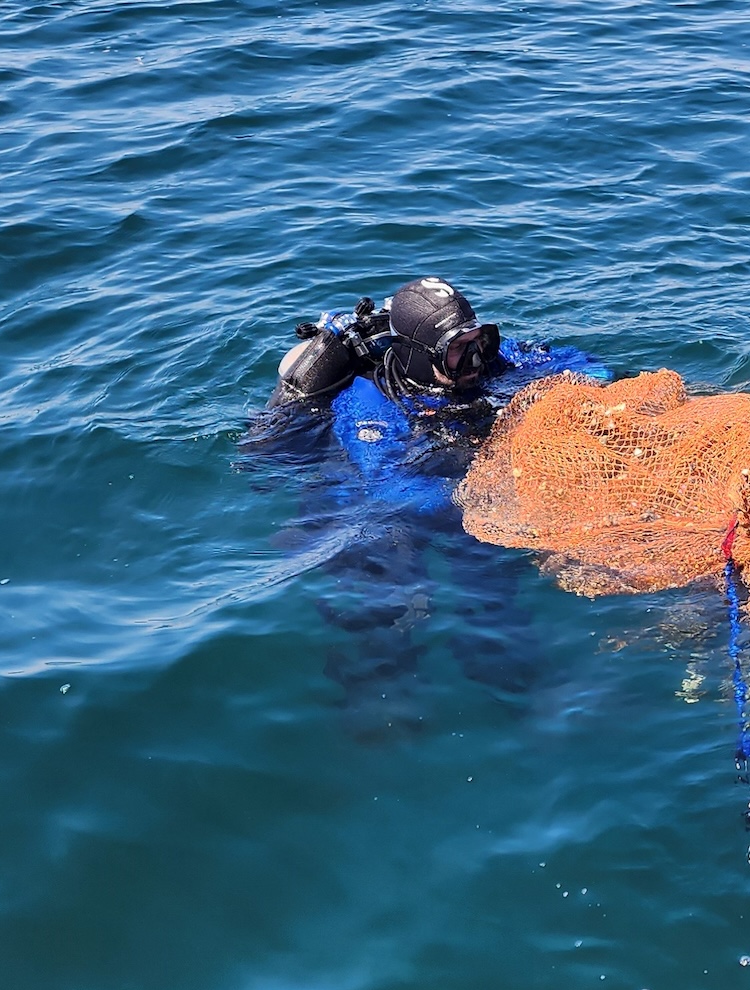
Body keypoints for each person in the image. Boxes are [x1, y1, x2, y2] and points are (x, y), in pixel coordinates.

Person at [245, 277, 607, 738]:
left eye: (481, 341)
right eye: (458, 349)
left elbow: (588, 370)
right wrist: (492, 497)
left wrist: (563, 401)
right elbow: (390, 484)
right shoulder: (369, 403)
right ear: (419, 352)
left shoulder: (490, 359)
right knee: (386, 601)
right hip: (372, 510)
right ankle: (378, 701)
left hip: (463, 493)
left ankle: (522, 696)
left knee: (493, 590)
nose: (477, 359)